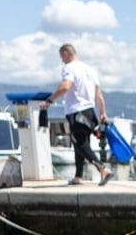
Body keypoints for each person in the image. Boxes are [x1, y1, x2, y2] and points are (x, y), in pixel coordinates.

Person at [42, 43, 112, 186]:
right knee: (79, 143)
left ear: (66, 53)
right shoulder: (90, 69)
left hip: (76, 112)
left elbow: (65, 86)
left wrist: (50, 100)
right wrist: (103, 113)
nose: (62, 60)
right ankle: (78, 177)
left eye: (62, 57)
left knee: (79, 143)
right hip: (90, 111)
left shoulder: (69, 68)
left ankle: (103, 169)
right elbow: (98, 94)